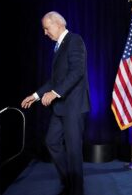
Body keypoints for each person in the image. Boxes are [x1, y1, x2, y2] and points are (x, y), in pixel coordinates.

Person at [21, 11, 90, 195]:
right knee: (51, 142)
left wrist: (55, 93)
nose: (45, 33)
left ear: (58, 24)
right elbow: (54, 80)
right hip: (61, 108)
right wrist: (35, 96)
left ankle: (76, 190)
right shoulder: (59, 46)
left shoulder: (74, 40)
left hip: (74, 107)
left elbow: (77, 71)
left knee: (74, 151)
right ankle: (68, 181)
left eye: (46, 28)